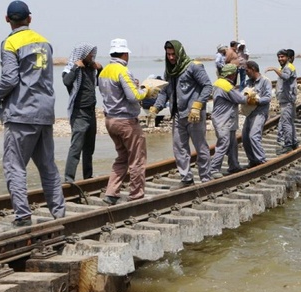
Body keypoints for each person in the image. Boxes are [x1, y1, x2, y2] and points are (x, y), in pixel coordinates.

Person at [0, 0, 65, 227]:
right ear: (29, 19)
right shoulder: (44, 42)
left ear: (7, 20)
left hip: (22, 114)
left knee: (14, 166)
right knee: (48, 166)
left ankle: (23, 216)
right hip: (45, 112)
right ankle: (59, 214)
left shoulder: (10, 43)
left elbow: (10, 79)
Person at [98, 38, 154, 205]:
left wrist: (134, 87)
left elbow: (114, 93)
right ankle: (136, 194)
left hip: (110, 121)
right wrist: (146, 90)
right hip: (126, 122)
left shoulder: (104, 71)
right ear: (125, 53)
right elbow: (134, 96)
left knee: (122, 157)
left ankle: (111, 193)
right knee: (137, 158)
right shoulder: (122, 70)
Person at [154, 40, 213, 189]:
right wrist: (156, 107)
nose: (171, 58)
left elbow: (207, 86)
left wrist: (198, 105)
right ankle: (186, 178)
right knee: (179, 147)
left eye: (174, 54)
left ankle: (206, 178)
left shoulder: (193, 67)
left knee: (201, 147)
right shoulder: (169, 71)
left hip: (194, 115)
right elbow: (164, 91)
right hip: (178, 115)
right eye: (168, 55)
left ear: (180, 53)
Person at [62, 43, 102, 183]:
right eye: (90, 54)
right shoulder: (71, 70)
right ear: (82, 55)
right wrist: (76, 67)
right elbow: (66, 82)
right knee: (76, 148)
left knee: (89, 148)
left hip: (91, 112)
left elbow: (99, 83)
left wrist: (100, 69)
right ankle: (68, 179)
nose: (92, 56)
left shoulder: (90, 69)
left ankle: (88, 178)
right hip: (79, 113)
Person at [209, 64, 246, 179]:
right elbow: (240, 99)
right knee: (223, 143)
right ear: (232, 74)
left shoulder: (218, 82)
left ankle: (234, 165)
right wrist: (249, 95)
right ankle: (214, 169)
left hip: (227, 119)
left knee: (233, 143)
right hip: (223, 120)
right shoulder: (225, 85)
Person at [267, 49, 298, 155]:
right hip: (286, 99)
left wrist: (274, 69)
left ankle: (288, 144)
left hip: (287, 100)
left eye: (282, 57)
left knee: (286, 123)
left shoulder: (288, 67)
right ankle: (293, 142)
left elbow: (285, 77)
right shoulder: (285, 67)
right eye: (279, 57)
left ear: (287, 58)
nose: (280, 59)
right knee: (289, 122)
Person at [242, 61, 272, 167]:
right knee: (245, 137)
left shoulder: (265, 81)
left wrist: (257, 101)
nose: (245, 72)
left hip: (260, 112)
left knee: (253, 136)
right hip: (250, 112)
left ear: (253, 69)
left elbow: (268, 97)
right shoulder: (248, 82)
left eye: (247, 70)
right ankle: (252, 160)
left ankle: (261, 160)